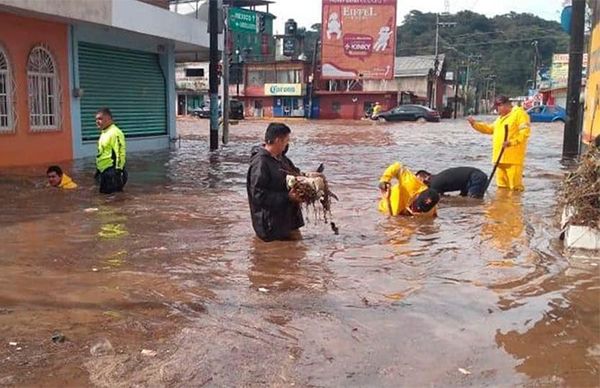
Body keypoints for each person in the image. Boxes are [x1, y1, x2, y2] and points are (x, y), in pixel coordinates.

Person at [247, 123, 304, 242]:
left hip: (288, 220)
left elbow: (295, 173)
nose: (287, 145)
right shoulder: (260, 163)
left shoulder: (281, 158)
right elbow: (258, 196)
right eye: (286, 141)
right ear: (278, 140)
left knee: (297, 253)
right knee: (281, 255)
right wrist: (287, 197)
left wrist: (305, 178)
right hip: (271, 226)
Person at [467, 95, 531, 191]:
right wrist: (475, 124)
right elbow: (489, 129)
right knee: (501, 189)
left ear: (504, 105)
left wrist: (511, 142)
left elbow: (525, 133)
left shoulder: (520, 114)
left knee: (515, 189)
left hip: (513, 160)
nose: (496, 111)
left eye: (497, 108)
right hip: (499, 160)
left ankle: (515, 205)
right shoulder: (500, 119)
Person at [95, 108, 127, 194]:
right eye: (96, 119)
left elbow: (120, 153)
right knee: (105, 200)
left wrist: (118, 172)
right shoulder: (104, 132)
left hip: (112, 172)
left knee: (114, 201)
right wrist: (98, 170)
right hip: (104, 171)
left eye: (100, 119)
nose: (97, 121)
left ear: (109, 119)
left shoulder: (115, 132)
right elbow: (102, 153)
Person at [416, 167, 488, 199]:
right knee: (465, 199)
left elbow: (435, 199)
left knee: (473, 201)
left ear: (425, 181)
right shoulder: (436, 178)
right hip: (470, 179)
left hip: (475, 178)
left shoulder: (434, 184)